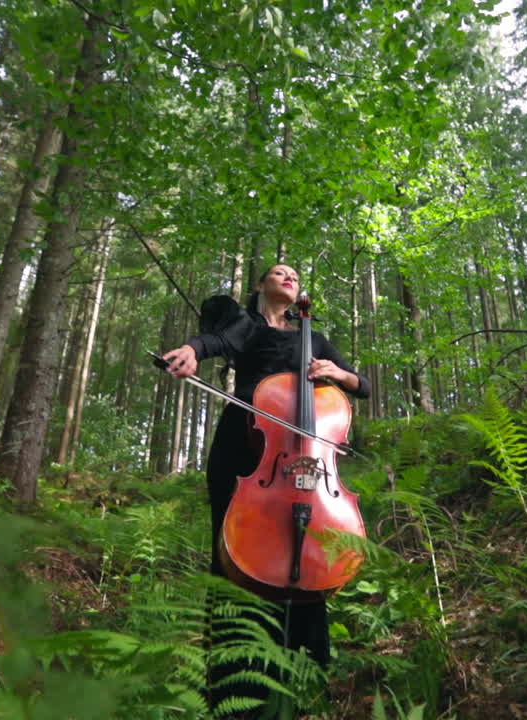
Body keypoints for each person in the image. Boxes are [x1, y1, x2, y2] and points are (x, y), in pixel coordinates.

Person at [160, 264, 370, 716]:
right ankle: (238, 680)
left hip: (310, 456)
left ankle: (304, 673)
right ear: (261, 286)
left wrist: (342, 375)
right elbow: (217, 341)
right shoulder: (247, 324)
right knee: (238, 550)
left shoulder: (312, 336)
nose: (288, 276)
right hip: (247, 445)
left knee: (309, 547)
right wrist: (192, 351)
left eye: (294, 273)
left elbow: (362, 385)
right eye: (278, 272)